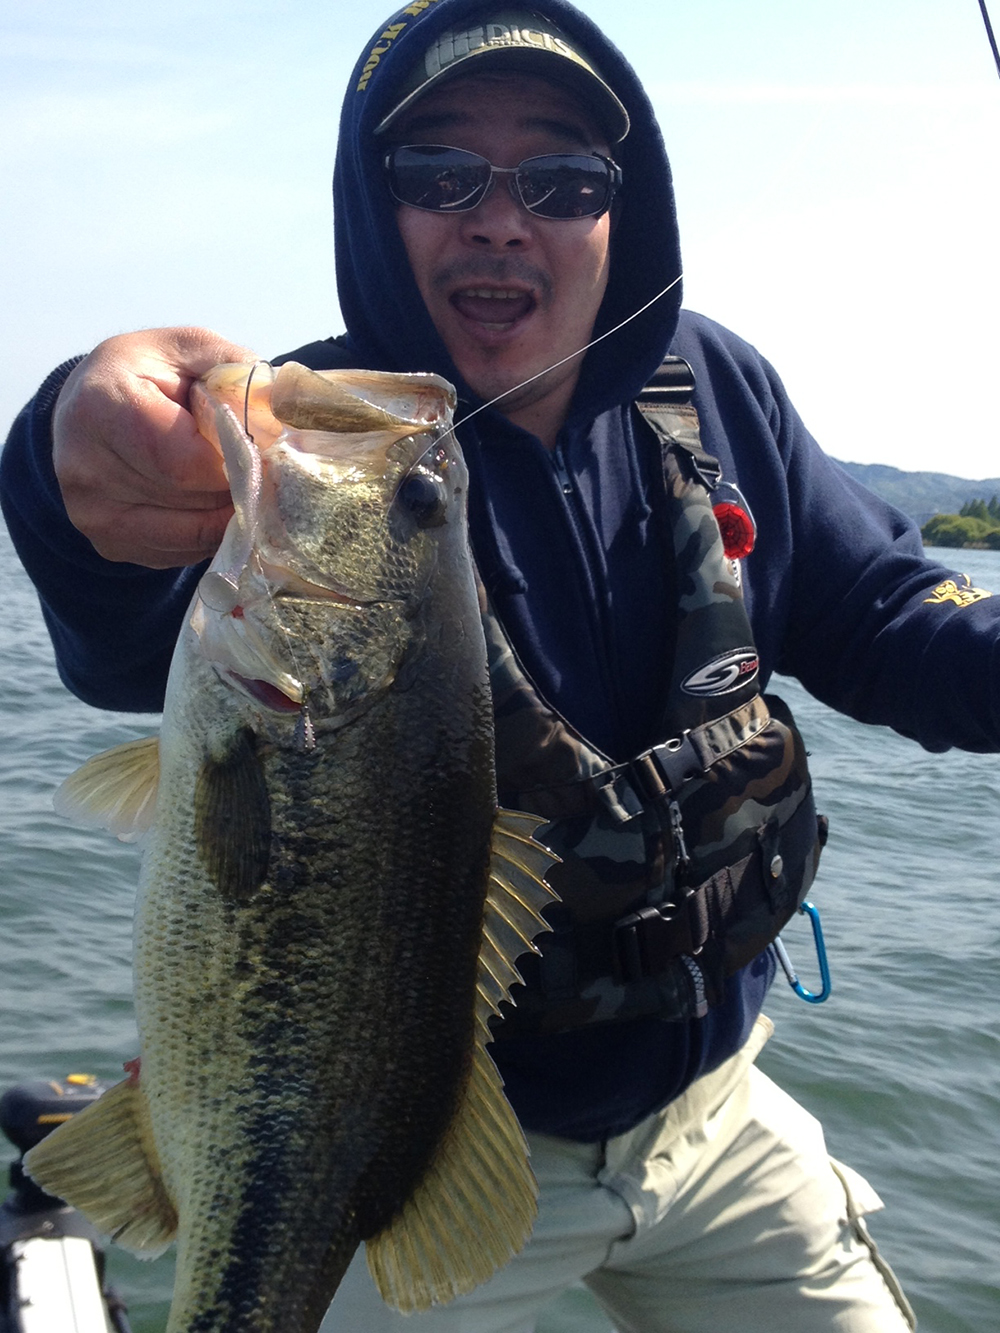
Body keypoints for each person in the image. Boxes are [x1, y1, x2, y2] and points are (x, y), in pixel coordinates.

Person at [3, 1, 998, 1328]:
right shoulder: (317, 441)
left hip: (714, 1118)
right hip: (407, 1154)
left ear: (621, 211)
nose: (500, 219)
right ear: (376, 204)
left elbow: (884, 615)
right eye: (440, 173)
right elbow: (122, 615)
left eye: (562, 178)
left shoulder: (714, 389)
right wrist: (67, 445)